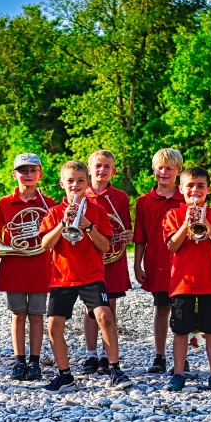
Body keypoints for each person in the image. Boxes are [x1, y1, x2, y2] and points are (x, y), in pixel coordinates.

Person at [38, 161, 131, 392]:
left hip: (91, 275)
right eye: (70, 181)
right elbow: (44, 245)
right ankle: (65, 375)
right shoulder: (54, 212)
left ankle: (115, 369)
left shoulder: (97, 211)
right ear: (62, 184)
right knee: (53, 326)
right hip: (63, 277)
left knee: (105, 316)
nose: (75, 185)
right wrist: (63, 223)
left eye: (80, 181)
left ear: (87, 183)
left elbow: (105, 246)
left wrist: (88, 225)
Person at [162, 166, 211, 392]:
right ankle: (179, 373)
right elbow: (172, 245)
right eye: (190, 186)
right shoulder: (173, 215)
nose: (195, 190)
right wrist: (186, 223)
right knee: (181, 330)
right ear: (180, 189)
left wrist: (207, 225)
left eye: (201, 186)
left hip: (210, 282)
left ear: (208, 189)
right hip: (182, 283)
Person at [0, 153, 57, 382]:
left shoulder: (50, 204)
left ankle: (35, 361)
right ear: (14, 175)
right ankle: (19, 361)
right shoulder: (5, 202)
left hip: (39, 265)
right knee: (18, 314)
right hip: (14, 264)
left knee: (37, 315)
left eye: (32, 170)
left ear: (40, 174)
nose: (27, 175)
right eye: (23, 170)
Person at [133, 149, 186, 374]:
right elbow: (140, 236)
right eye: (160, 168)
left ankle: (181, 356)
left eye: (169, 169)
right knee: (161, 308)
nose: (164, 172)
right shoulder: (144, 201)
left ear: (179, 172)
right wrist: (137, 265)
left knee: (183, 312)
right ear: (154, 169)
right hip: (157, 262)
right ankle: (160, 354)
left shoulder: (186, 197)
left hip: (183, 263)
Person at [81, 150, 133, 375]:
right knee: (89, 309)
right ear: (89, 169)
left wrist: (126, 236)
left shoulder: (120, 197)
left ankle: (106, 355)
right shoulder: (80, 193)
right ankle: (91, 354)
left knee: (109, 308)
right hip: (88, 260)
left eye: (107, 166)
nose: (102, 170)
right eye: (98, 166)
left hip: (113, 260)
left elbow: (125, 228)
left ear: (113, 170)